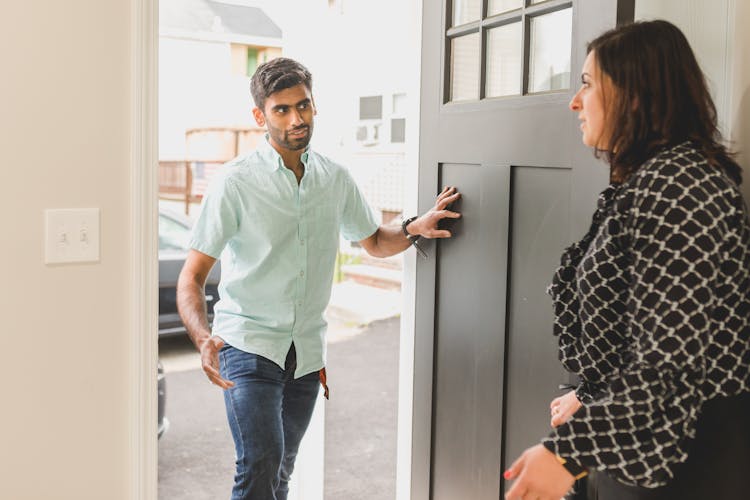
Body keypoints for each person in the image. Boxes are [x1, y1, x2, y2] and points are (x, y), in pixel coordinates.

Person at [176, 57, 460, 500]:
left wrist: (414, 227)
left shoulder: (334, 178)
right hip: (247, 346)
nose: (297, 119)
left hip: (305, 354)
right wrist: (201, 337)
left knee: (281, 472)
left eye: (303, 106)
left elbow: (373, 241)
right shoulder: (234, 183)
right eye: (282, 110)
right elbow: (191, 276)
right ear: (260, 116)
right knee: (258, 469)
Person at [504, 20, 750, 500]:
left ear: (636, 94)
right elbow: (642, 331)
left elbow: (670, 361)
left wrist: (567, 452)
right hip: (644, 441)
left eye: (588, 84)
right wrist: (591, 397)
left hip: (685, 459)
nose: (575, 102)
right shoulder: (650, 179)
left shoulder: (680, 186)